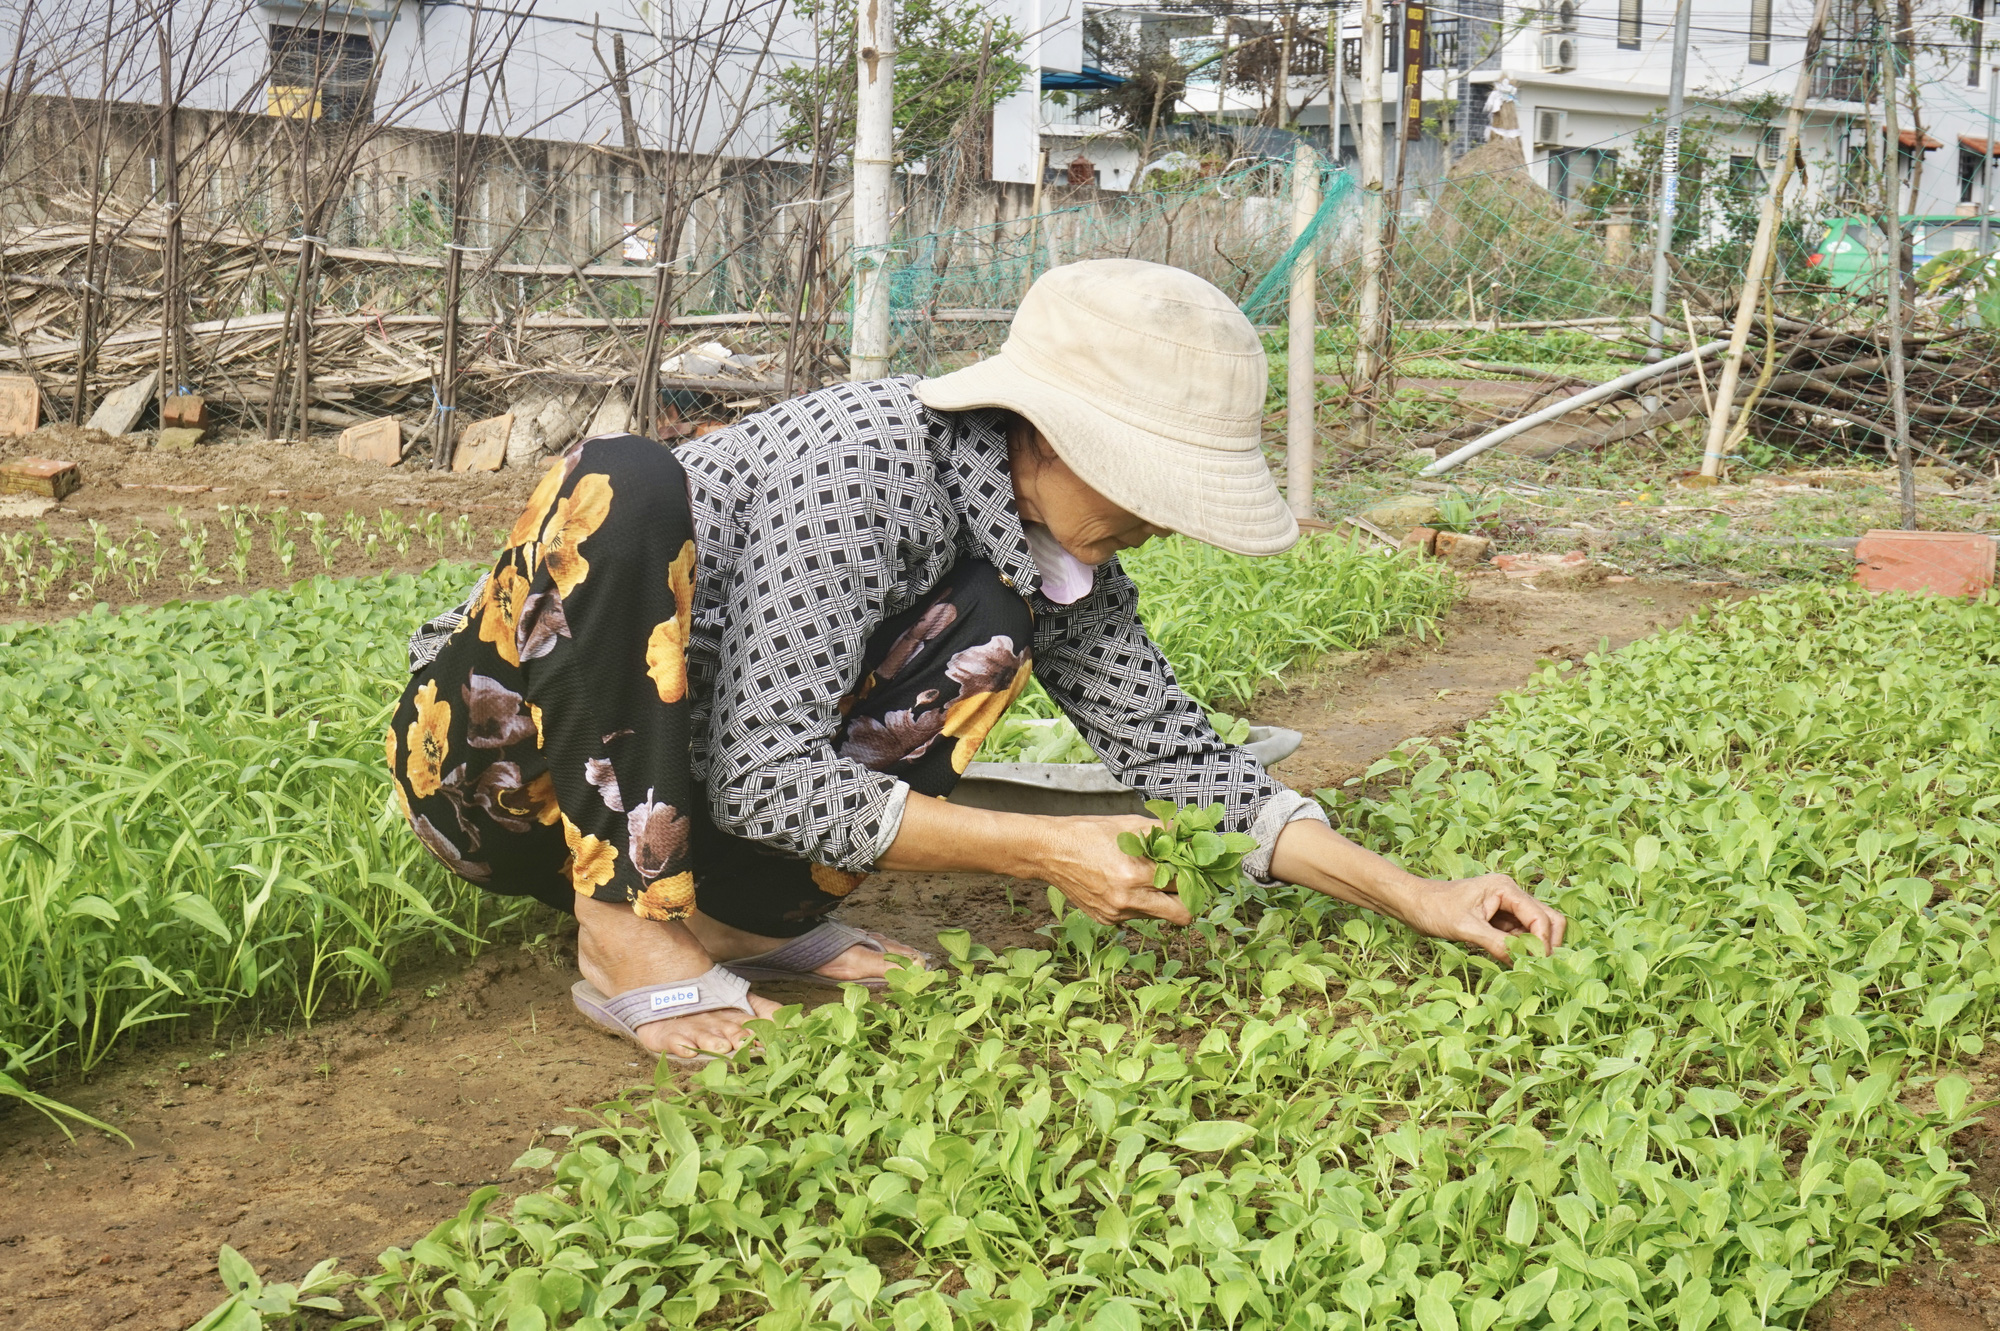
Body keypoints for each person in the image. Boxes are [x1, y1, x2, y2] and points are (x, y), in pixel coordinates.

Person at [387, 259, 1565, 1064]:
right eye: (1146, 482)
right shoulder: (865, 465)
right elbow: (761, 777)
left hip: (693, 788)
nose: (1158, 520)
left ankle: (739, 922)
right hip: (505, 779)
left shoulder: (1047, 554)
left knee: (984, 632)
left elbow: (1189, 762)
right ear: (1047, 433)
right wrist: (1047, 848)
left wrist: (1414, 893)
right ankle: (623, 929)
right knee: (627, 480)